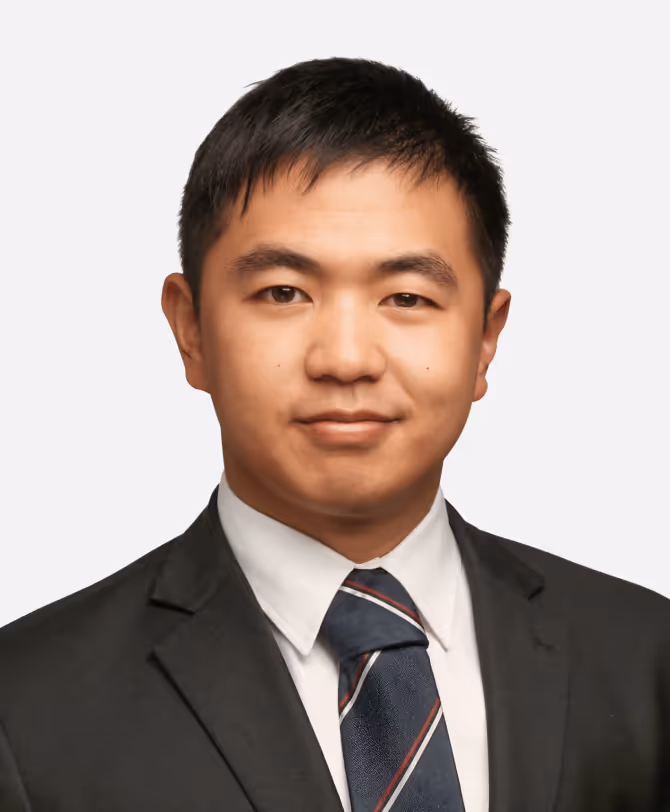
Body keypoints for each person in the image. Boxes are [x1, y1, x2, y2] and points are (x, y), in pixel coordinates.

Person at [0, 56, 668, 812]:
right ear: (190, 329)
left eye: (407, 296)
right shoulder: (26, 711)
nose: (346, 358)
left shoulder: (646, 660)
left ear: (486, 337)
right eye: (283, 292)